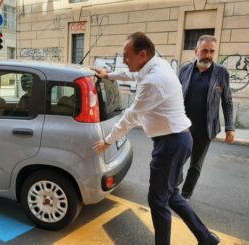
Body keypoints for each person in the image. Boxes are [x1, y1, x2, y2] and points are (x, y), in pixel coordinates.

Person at [92, 32, 220, 245]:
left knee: (158, 200)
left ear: (142, 54)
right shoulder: (155, 65)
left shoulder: (154, 81)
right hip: (177, 140)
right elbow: (133, 75)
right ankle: (205, 238)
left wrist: (108, 140)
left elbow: (131, 116)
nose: (124, 60)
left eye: (126, 56)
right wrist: (109, 75)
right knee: (171, 196)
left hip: (171, 144)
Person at [179, 35, 235, 200]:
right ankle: (173, 188)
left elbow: (227, 101)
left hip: (206, 128)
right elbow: (174, 96)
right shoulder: (185, 70)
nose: (208, 55)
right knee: (177, 162)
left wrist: (230, 127)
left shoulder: (221, 72)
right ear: (196, 51)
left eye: (212, 51)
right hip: (183, 128)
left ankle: (185, 196)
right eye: (204, 51)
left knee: (195, 166)